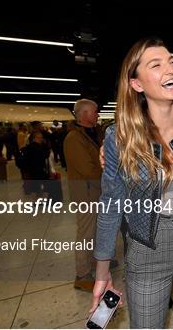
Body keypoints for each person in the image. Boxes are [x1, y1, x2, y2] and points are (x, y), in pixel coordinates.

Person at [92, 37, 173, 328]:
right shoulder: (120, 138)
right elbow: (110, 205)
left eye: (172, 61)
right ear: (137, 84)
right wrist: (102, 272)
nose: (170, 69)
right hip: (146, 247)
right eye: (156, 65)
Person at [64, 99, 107, 292]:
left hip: (98, 191)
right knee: (86, 234)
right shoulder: (74, 138)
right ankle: (82, 274)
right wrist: (109, 173)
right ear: (85, 114)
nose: (98, 114)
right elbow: (88, 169)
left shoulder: (94, 133)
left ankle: (94, 262)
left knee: (97, 230)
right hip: (86, 195)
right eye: (95, 111)